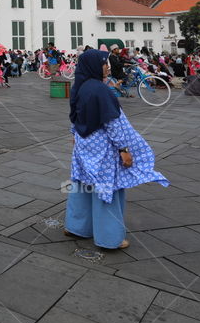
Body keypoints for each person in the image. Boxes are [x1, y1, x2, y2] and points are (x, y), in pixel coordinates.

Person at [64, 50, 168, 249]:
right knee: (107, 188)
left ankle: (76, 227)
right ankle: (109, 238)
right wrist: (124, 149)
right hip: (103, 147)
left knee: (82, 185)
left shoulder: (80, 86)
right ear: (94, 66)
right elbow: (112, 122)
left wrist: (74, 134)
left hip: (84, 143)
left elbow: (74, 115)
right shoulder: (100, 89)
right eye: (104, 63)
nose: (108, 67)